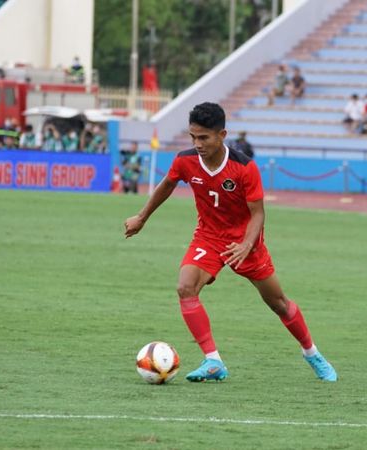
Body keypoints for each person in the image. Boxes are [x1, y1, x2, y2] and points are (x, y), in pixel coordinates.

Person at [123, 102, 338, 383]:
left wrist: (247, 245)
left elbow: (258, 213)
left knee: (279, 304)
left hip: (245, 242)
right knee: (185, 287)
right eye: (193, 137)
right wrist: (142, 217)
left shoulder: (244, 168)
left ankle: (312, 353)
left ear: (222, 135)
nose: (197, 144)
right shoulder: (185, 161)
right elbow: (167, 185)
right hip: (209, 236)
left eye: (204, 138)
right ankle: (213, 361)